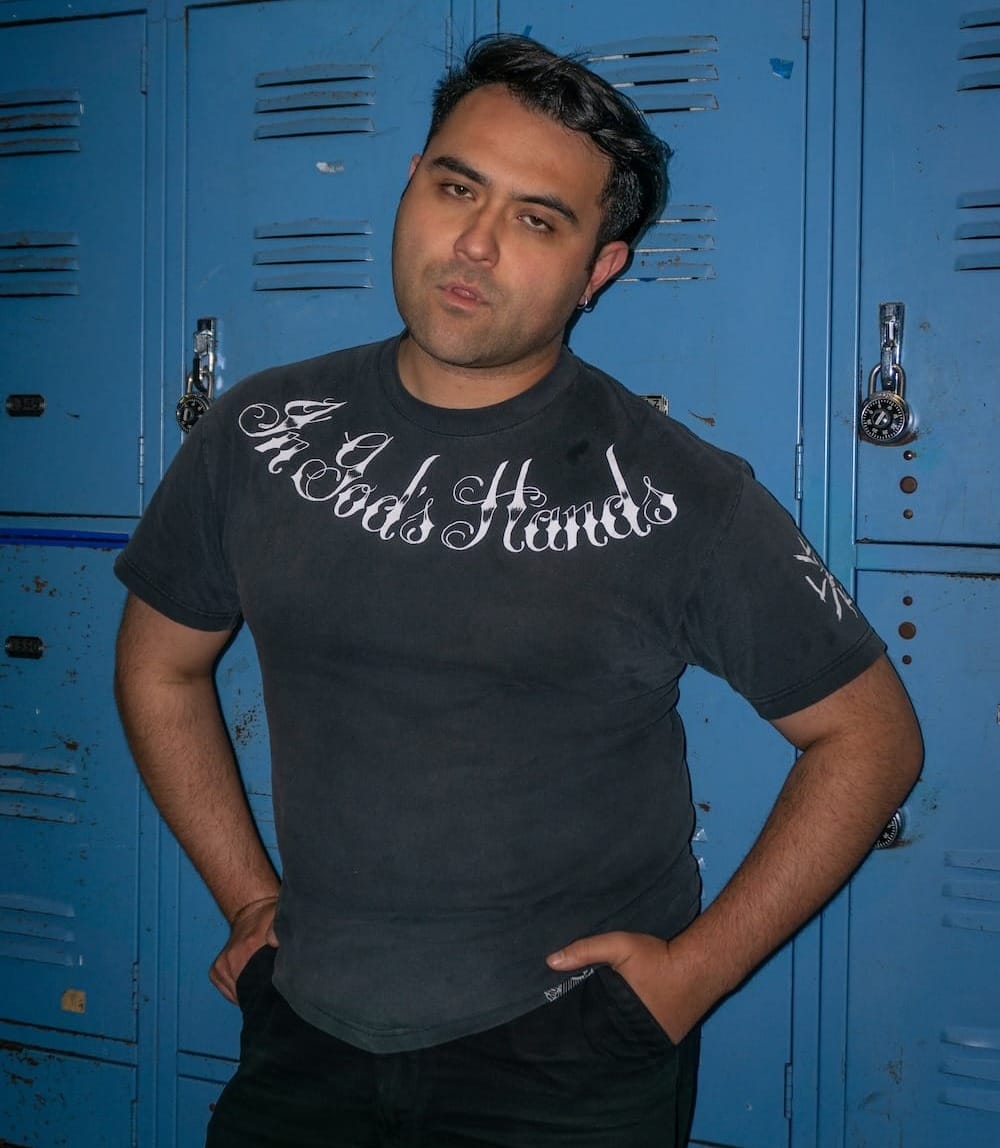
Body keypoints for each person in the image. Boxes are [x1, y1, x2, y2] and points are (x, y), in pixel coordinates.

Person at [113, 34, 922, 1148]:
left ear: (601, 268)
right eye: (457, 188)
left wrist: (691, 976)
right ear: (411, 184)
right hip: (303, 1031)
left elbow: (870, 738)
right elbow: (159, 665)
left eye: (539, 220)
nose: (476, 243)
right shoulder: (259, 432)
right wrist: (250, 898)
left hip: (567, 1058)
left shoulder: (678, 491)